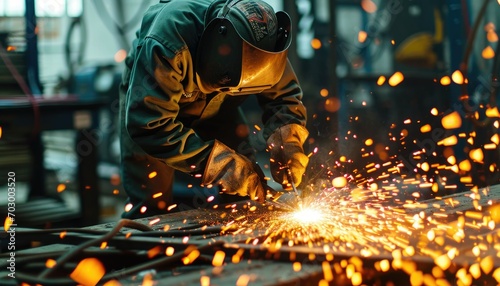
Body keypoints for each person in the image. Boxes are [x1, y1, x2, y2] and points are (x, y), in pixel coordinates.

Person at [119, 0, 309, 219]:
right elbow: (149, 125)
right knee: (150, 207)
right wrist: (221, 167)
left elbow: (285, 98)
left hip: (219, 104)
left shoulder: (264, 47)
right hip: (153, 104)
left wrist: (288, 142)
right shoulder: (169, 42)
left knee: (246, 197)